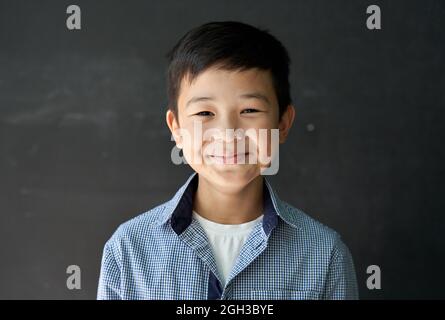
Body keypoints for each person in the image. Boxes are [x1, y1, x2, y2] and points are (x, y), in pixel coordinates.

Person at [97, 21, 358, 300]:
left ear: (282, 123)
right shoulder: (129, 249)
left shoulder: (325, 254)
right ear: (176, 129)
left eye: (250, 109)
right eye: (204, 113)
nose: (228, 134)